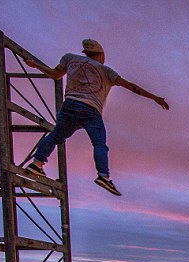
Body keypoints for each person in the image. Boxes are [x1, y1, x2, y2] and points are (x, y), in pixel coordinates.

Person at [23, 39, 169, 196]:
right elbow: (132, 87)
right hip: (90, 110)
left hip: (70, 106)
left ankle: (36, 163)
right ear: (100, 55)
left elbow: (55, 75)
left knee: (56, 136)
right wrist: (154, 98)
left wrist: (36, 65)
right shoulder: (106, 71)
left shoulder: (70, 59)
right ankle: (103, 176)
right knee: (99, 142)